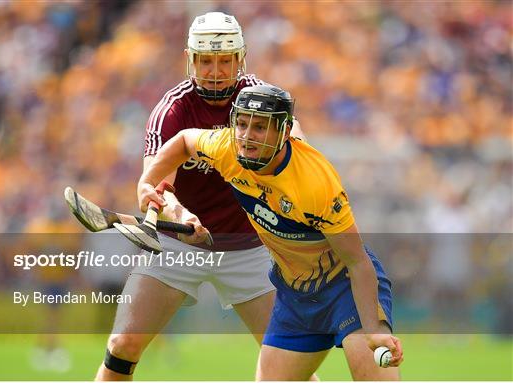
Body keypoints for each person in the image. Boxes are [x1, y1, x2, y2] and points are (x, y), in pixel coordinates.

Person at [137, 84, 405, 380]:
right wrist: (147, 182)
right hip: (296, 295)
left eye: (260, 127)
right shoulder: (227, 147)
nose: (247, 136)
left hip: (344, 288)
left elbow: (357, 262)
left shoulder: (315, 184)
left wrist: (373, 330)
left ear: (284, 131)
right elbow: (185, 140)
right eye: (241, 123)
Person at [95, 12, 307, 380]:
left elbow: (299, 152)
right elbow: (153, 186)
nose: (215, 70)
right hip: (178, 246)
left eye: (224, 60)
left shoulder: (261, 100)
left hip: (252, 248)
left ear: (240, 59)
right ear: (190, 59)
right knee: (123, 344)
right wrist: (177, 212)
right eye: (206, 60)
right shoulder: (172, 110)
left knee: (287, 366)